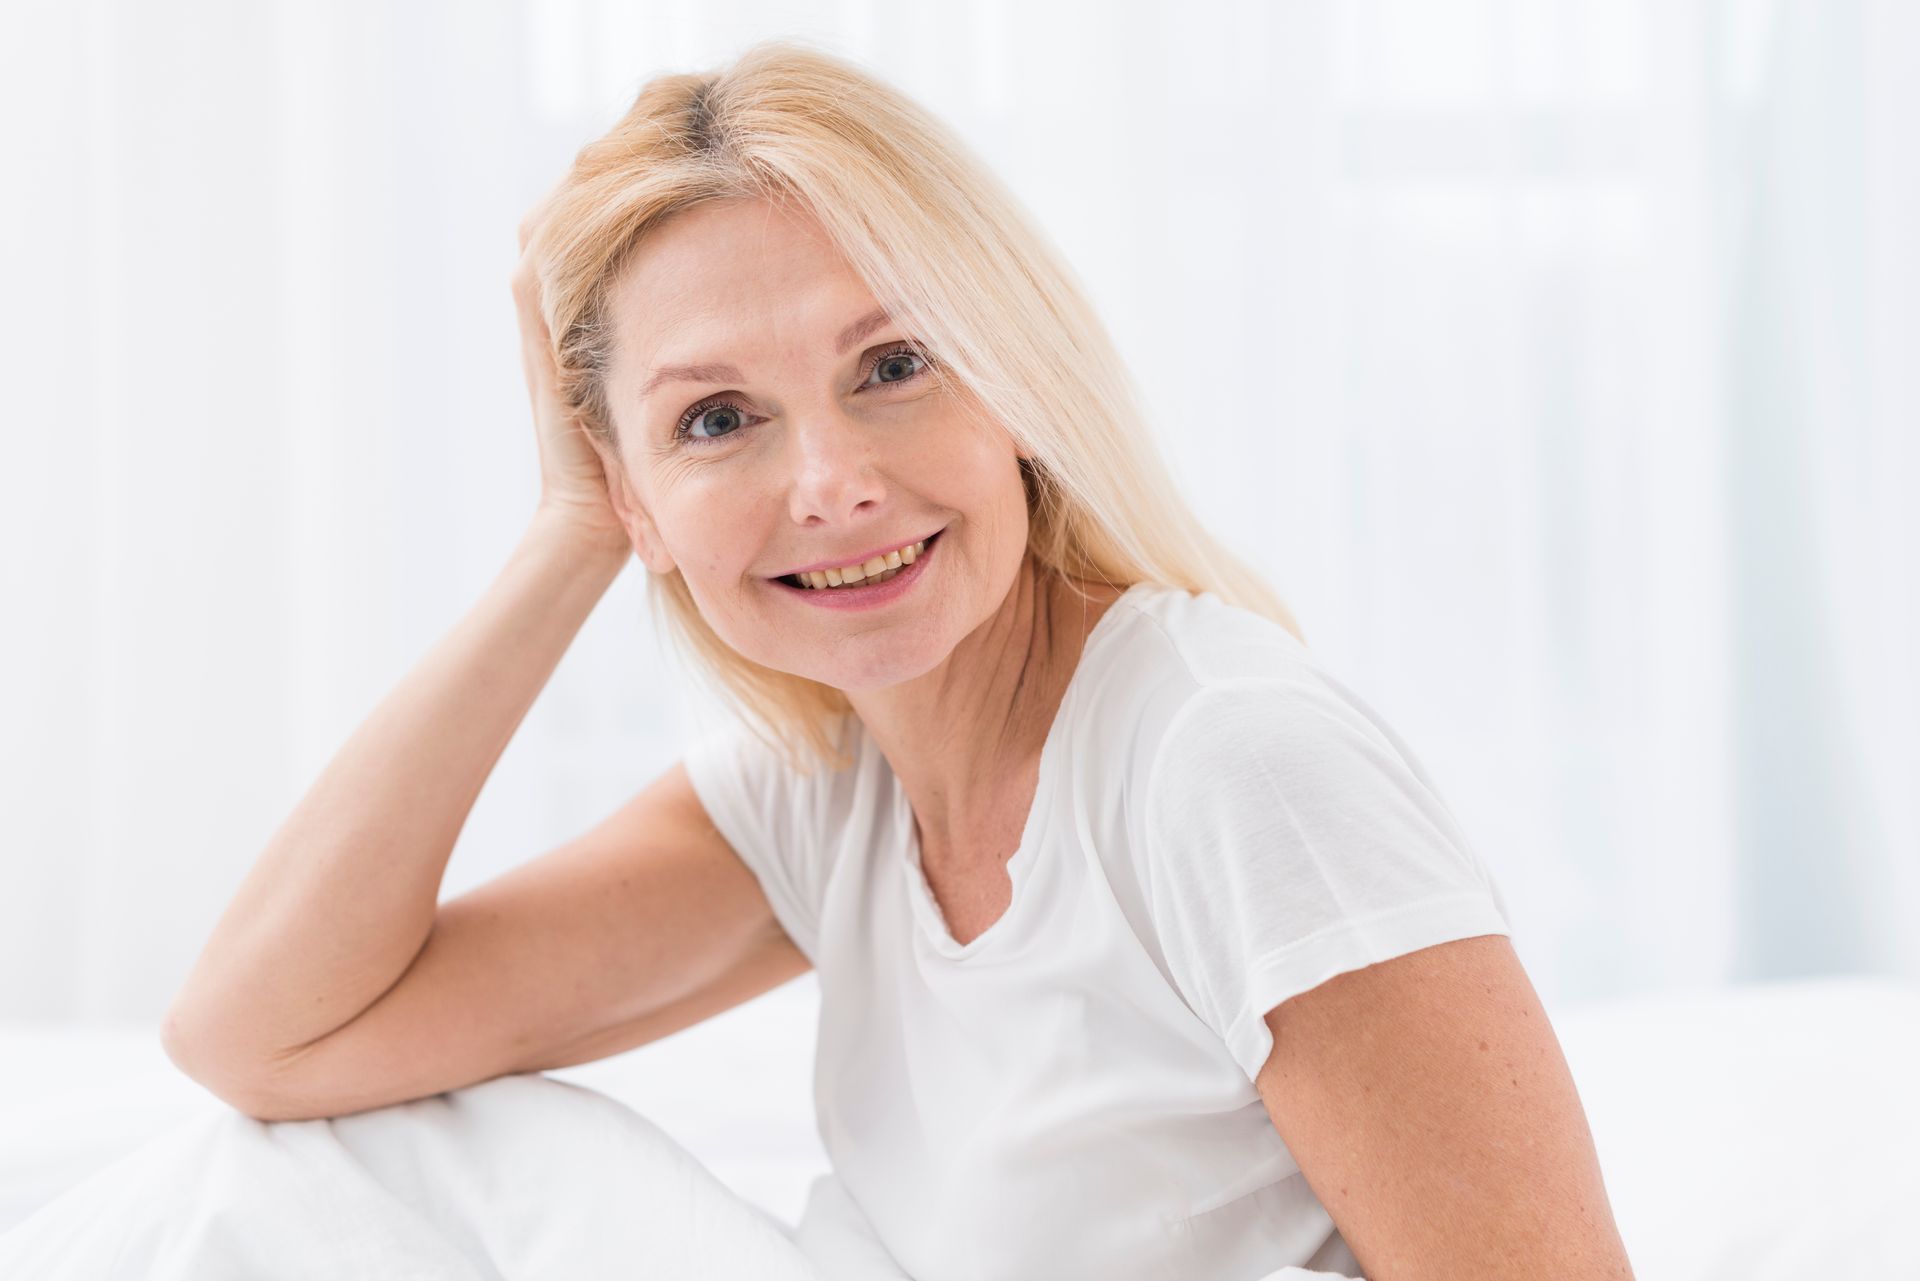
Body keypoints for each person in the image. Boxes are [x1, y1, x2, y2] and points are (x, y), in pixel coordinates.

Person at [159, 38, 1636, 1281]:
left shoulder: (1228, 760)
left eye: (893, 365)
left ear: (1013, 379)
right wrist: (570, 527)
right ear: (639, 492)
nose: (832, 482)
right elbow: (264, 1042)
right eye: (716, 420)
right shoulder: (824, 791)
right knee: (339, 1178)